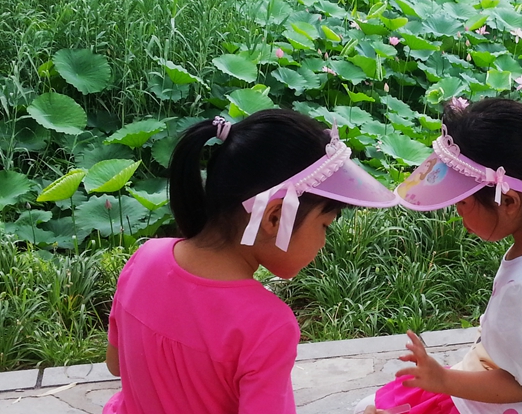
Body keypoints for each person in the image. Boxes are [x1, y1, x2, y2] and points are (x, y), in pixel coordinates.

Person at [103, 109, 399, 414]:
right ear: (275, 217)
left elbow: (116, 364)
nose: (323, 242)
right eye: (325, 225)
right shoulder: (266, 325)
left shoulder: (145, 257)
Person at [357, 97, 522, 414]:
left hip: (499, 406)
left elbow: (519, 386)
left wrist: (443, 379)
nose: (458, 215)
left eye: (462, 203)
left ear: (509, 201)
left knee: (372, 408)